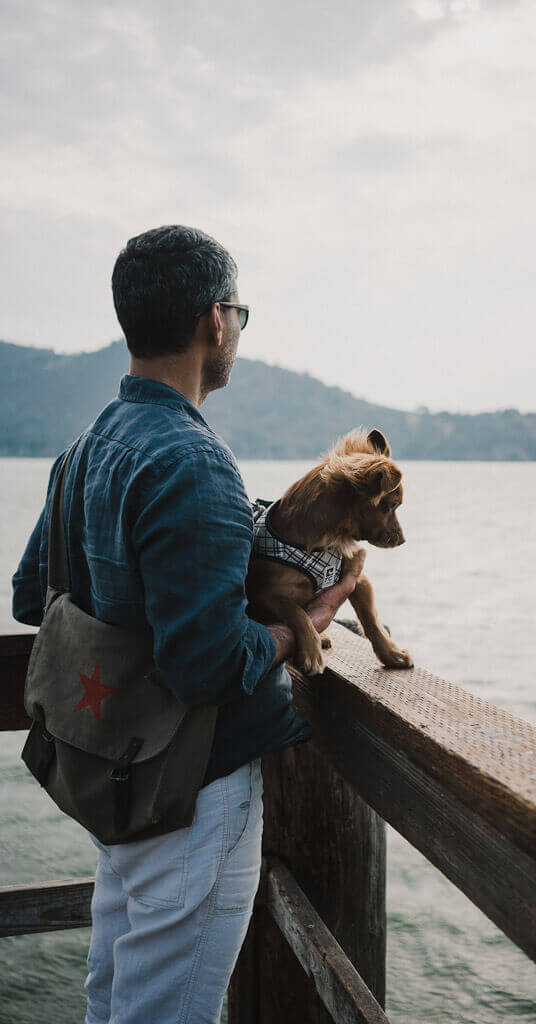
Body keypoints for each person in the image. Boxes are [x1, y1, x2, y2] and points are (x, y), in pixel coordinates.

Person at [11, 224, 366, 1024]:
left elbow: (32, 596)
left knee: (114, 996)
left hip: (108, 774)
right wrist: (302, 623)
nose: (237, 328)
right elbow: (206, 664)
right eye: (239, 313)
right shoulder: (195, 462)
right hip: (186, 788)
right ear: (215, 320)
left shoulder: (84, 446)